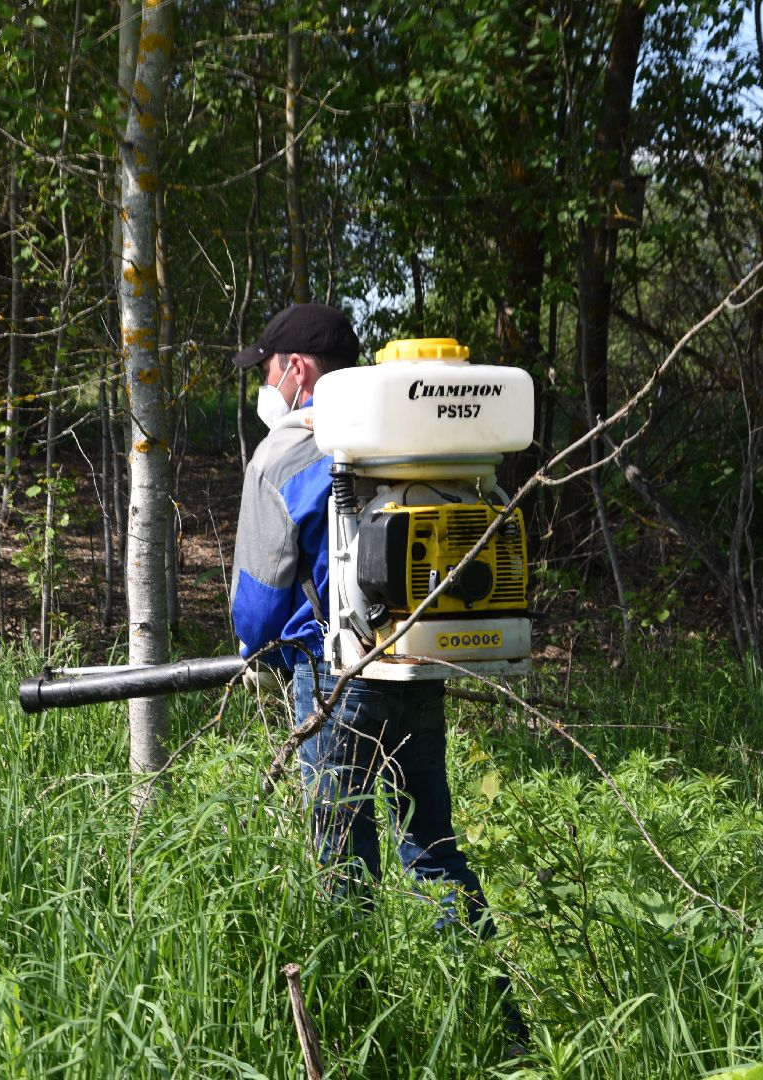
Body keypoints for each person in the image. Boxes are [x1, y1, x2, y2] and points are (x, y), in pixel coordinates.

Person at [228, 304, 525, 1045]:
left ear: (296, 369)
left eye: (267, 367)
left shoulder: (284, 456)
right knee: (433, 848)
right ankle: (504, 1033)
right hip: (418, 665)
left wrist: (258, 659)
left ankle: (359, 1034)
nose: (265, 382)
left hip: (334, 681)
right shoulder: (411, 438)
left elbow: (259, 611)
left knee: (342, 868)